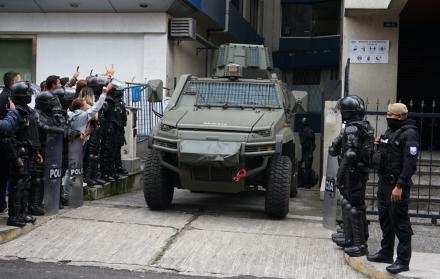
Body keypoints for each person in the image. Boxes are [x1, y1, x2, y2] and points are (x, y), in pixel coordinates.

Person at [367, 103, 418, 274]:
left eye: (393, 115)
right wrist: (378, 144)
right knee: (385, 220)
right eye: (388, 114)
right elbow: (388, 154)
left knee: (400, 223)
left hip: (396, 185)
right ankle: (386, 252)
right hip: (384, 183)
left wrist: (400, 186)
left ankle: (403, 261)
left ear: (401, 116)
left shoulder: (409, 134)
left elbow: (410, 163)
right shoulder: (390, 132)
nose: (389, 117)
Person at [330, 95, 374, 257]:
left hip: (352, 173)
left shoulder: (352, 129)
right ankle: (350, 238)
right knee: (349, 204)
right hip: (358, 172)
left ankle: (359, 244)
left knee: (354, 207)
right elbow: (335, 149)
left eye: (343, 111)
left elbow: (349, 155)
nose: (341, 113)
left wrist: (339, 177)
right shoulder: (364, 126)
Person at [2, 81, 42, 227]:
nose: (29, 97)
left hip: (29, 153)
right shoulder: (15, 112)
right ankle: (14, 216)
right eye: (27, 94)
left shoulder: (28, 112)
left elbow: (32, 134)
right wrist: (15, 157)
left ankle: (23, 213)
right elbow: (7, 136)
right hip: (20, 153)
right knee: (17, 186)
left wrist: (37, 151)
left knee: (25, 185)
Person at [1, 71, 21, 213]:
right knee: (3, 176)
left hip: (6, 141)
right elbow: (7, 125)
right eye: (19, 81)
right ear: (13, 82)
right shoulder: (7, 98)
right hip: (5, 142)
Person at [298, 117, 316, 188]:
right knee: (306, 168)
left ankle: (306, 184)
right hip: (305, 151)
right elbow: (313, 144)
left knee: (307, 168)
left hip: (307, 151)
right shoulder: (304, 131)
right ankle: (304, 183)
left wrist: (310, 153)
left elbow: (312, 144)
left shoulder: (307, 132)